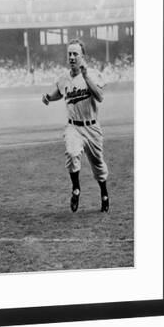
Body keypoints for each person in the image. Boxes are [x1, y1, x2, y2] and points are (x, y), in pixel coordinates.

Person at [41, 38, 110, 213]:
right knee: (72, 153)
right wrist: (49, 97)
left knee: (98, 164)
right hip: (73, 127)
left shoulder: (92, 74)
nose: (71, 57)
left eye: (75, 54)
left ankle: (104, 193)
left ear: (82, 56)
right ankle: (76, 189)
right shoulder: (64, 78)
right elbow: (59, 93)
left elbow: (100, 96)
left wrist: (86, 77)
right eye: (69, 54)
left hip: (92, 127)